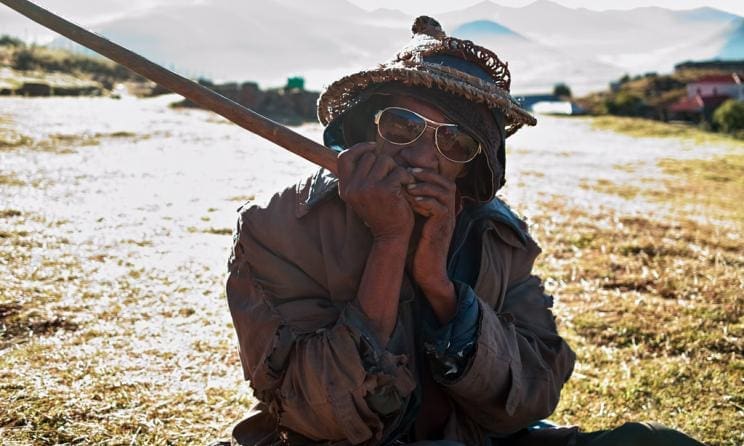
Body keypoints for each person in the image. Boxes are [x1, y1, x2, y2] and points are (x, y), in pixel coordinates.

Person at [225, 16, 704, 446]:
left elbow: (535, 393)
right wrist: (390, 245)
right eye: (402, 124)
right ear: (365, 128)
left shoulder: (498, 235)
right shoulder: (277, 226)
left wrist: (441, 289)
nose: (419, 156)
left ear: (472, 169)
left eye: (453, 140)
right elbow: (319, 414)